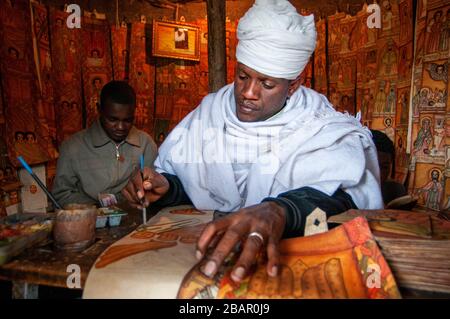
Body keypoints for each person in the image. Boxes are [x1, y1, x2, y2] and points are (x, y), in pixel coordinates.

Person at [123, 0, 382, 283]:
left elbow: (347, 197)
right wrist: (168, 187)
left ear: (293, 85)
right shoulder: (210, 113)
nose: (248, 92)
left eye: (266, 84)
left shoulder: (320, 126)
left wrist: (281, 210)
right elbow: (196, 184)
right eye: (243, 76)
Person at [52, 81, 158, 208]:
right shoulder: (72, 147)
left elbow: (155, 189)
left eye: (127, 120)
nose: (120, 127)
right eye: (112, 119)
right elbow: (61, 195)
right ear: (99, 110)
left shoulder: (145, 143)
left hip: (137, 220)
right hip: (90, 220)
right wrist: (99, 206)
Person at [370, 130, 408, 207]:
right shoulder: (343, 195)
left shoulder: (396, 191)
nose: (379, 174)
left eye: (385, 167)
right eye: (373, 166)